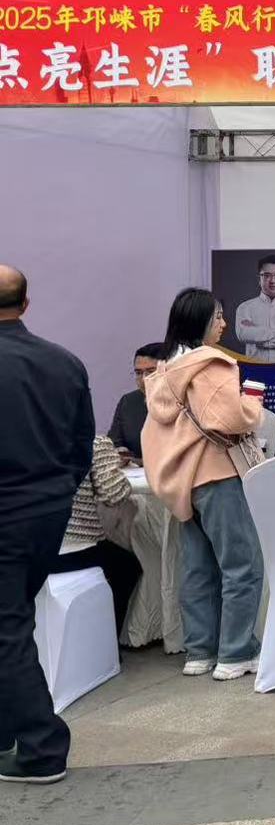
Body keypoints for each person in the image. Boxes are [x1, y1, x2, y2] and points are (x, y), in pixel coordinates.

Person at [0, 265, 94, 785]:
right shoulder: (64, 362)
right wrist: (57, 491)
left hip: (8, 509)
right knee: (13, 618)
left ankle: (41, 747)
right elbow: (82, 445)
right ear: (26, 304)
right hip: (48, 510)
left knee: (7, 626)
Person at [143, 289, 266, 681]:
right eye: (218, 317)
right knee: (242, 565)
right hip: (218, 473)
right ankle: (235, 652)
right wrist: (253, 404)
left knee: (198, 569)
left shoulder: (162, 372)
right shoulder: (211, 365)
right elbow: (229, 419)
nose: (224, 324)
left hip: (183, 483)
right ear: (201, 321)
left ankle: (200, 652)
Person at [48, 433, 143, 645]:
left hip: (29, 551)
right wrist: (112, 464)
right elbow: (115, 494)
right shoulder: (93, 443)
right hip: (76, 550)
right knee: (128, 566)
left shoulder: (25, 444)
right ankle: (107, 642)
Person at [108, 342, 168, 464]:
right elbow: (115, 442)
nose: (144, 379)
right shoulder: (128, 402)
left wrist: (138, 461)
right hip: (135, 474)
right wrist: (119, 453)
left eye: (151, 371)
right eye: (139, 373)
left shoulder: (184, 401)